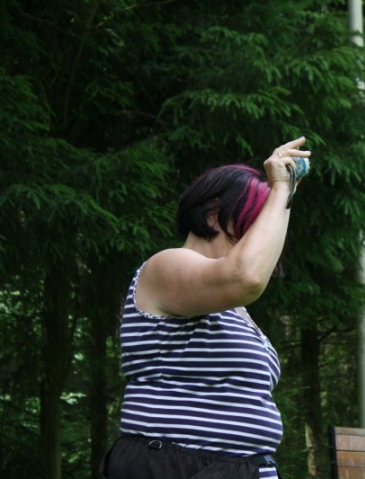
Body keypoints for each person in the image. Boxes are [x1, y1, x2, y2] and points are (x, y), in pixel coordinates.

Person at [99, 137, 310, 479]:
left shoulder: (233, 308)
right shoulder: (165, 266)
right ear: (214, 217)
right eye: (255, 223)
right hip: (176, 463)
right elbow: (246, 277)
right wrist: (280, 191)